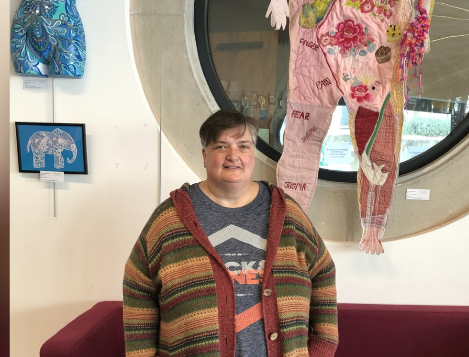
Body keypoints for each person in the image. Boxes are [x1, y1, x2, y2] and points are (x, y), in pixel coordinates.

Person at [265, 0, 440, 254]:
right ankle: (288, 230)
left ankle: (372, 228)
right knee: (304, 128)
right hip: (316, 37)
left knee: (376, 126)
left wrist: (421, 24)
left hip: (377, 44)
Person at [123, 110, 338, 357]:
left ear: (253, 155)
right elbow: (138, 286)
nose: (233, 156)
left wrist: (323, 344)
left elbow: (323, 271)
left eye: (243, 146)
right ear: (205, 156)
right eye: (221, 146)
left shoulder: (288, 214)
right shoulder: (168, 220)